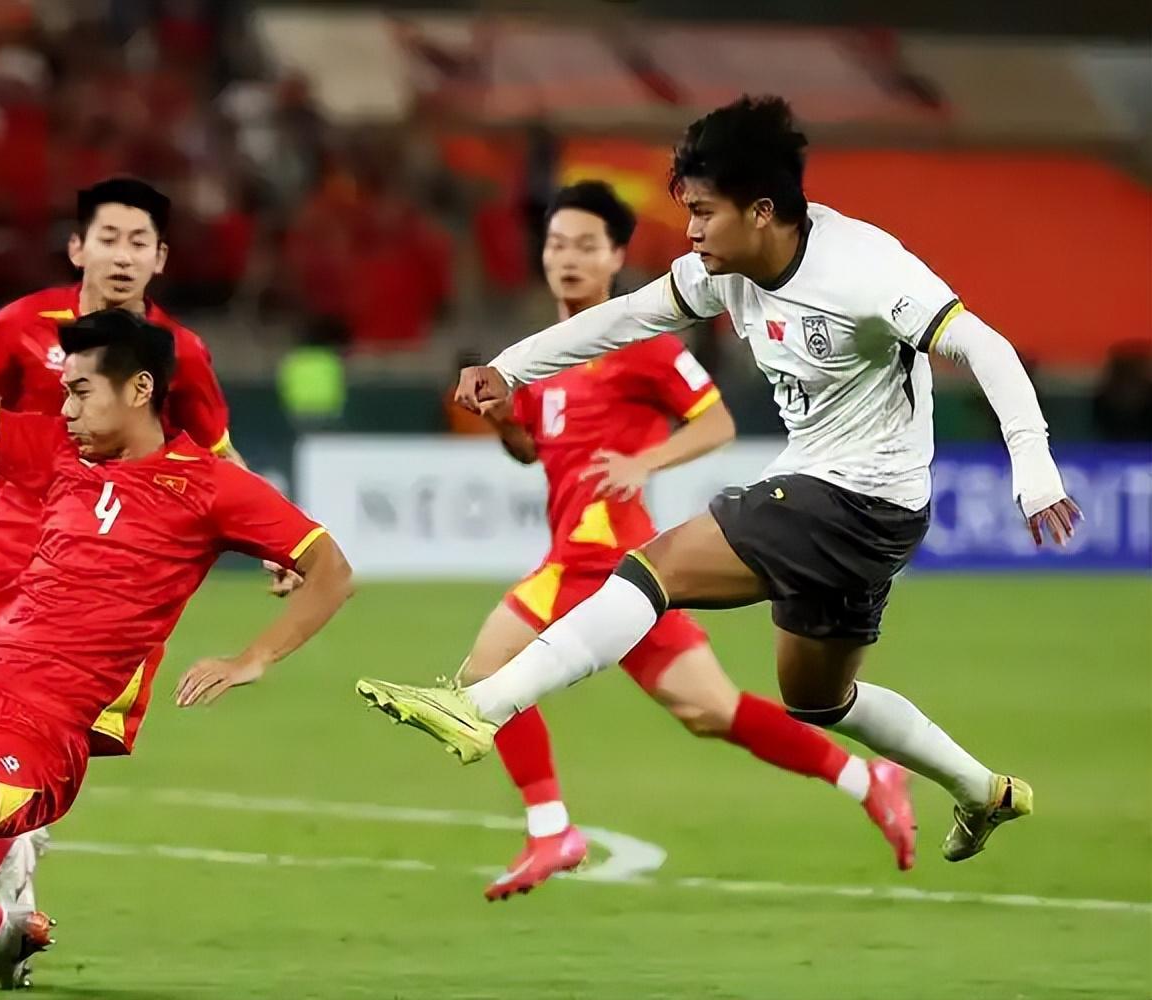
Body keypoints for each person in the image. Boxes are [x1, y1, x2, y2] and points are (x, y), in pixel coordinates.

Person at [358, 96, 1081, 865]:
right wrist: (510, 368)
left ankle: (481, 704)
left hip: (860, 498)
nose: (691, 230)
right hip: (840, 496)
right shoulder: (723, 271)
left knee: (653, 569)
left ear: (762, 211)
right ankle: (980, 790)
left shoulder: (865, 269)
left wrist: (1033, 465)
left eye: (704, 212)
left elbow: (984, 346)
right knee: (817, 699)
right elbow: (621, 318)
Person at [0, 247, 353, 989]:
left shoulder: (210, 488)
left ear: (139, 389)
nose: (64, 409)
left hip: (40, 735)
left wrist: (252, 658)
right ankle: (5, 933)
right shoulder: (57, 454)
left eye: (78, 393)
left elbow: (331, 569)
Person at [463, 181, 916, 898]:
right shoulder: (540, 364)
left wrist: (644, 461)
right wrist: (503, 421)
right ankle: (867, 778)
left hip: (608, 558)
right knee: (713, 711)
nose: (568, 259)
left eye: (586, 245)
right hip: (594, 564)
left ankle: (551, 830)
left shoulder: (643, 346)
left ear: (616, 257)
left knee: (485, 674)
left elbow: (717, 423)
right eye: (556, 245)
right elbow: (530, 452)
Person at [0, 177, 241, 919]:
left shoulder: (178, 353)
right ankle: (4, 869)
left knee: (41, 727)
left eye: (139, 243)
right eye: (109, 239)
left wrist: (277, 546)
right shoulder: (25, 324)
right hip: (7, 541)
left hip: (101, 566)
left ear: (160, 259)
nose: (123, 256)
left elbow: (219, 458)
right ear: (78, 248)